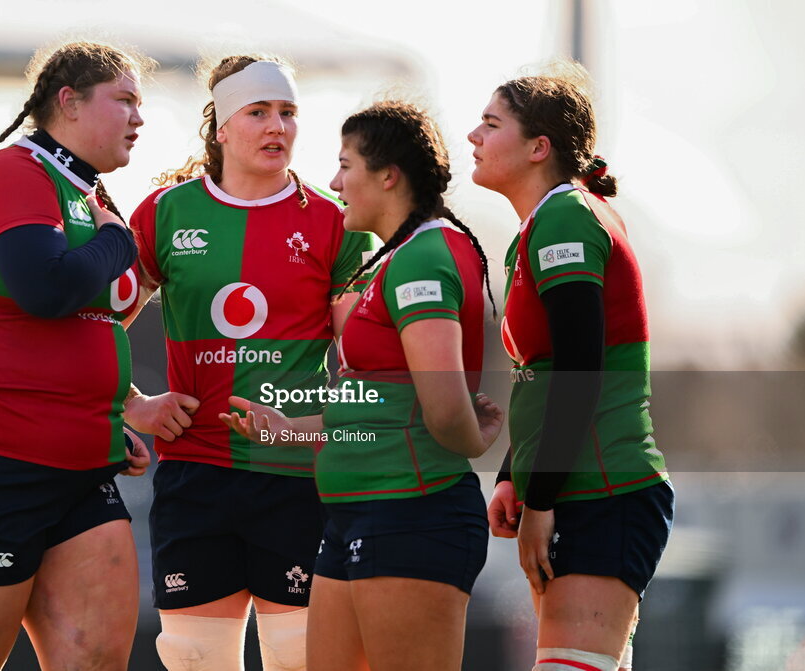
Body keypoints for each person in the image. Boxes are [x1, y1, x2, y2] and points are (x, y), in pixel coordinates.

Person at [222, 100, 504, 671]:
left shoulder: (425, 254)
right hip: (356, 513)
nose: (334, 181)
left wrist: (474, 441)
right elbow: (371, 409)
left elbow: (445, 407)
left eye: (345, 164)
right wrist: (285, 432)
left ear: (388, 176)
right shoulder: (389, 260)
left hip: (411, 511)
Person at [0, 40, 155, 671]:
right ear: (67, 103)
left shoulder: (85, 194)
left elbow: (94, 321)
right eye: (123, 100)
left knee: (96, 661)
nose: (138, 119)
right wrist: (118, 244)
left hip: (81, 470)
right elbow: (45, 291)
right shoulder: (14, 173)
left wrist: (106, 408)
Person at [123, 55, 374, 670]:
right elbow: (95, 324)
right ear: (221, 128)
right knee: (193, 660)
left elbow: (365, 365)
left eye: (288, 113)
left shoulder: (335, 224)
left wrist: (327, 435)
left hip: (298, 479)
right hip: (193, 475)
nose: (276, 127)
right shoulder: (165, 213)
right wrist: (132, 406)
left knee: (301, 661)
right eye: (258, 112)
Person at [468, 63, 673, 671]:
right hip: (583, 490)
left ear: (538, 147)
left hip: (606, 491)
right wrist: (514, 473)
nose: (473, 137)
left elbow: (584, 369)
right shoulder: (546, 223)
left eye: (489, 123)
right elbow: (547, 373)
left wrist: (541, 499)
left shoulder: (566, 217)